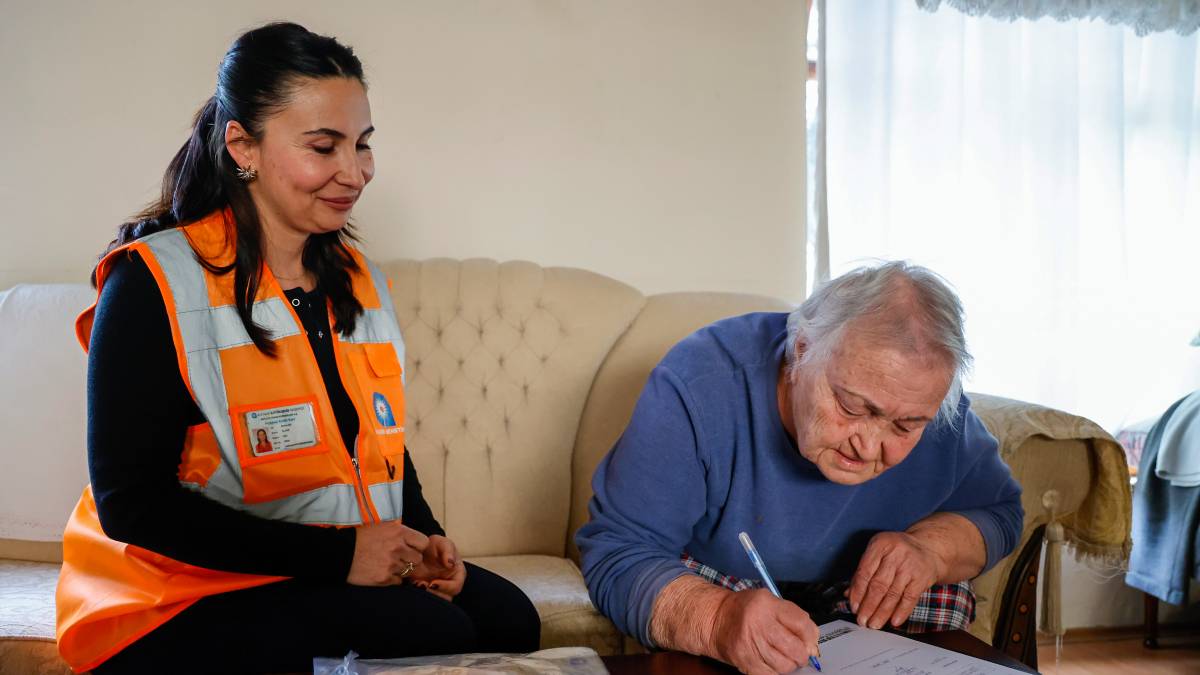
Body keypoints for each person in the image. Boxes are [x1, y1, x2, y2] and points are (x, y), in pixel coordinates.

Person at [55, 23, 539, 674]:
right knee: (427, 628)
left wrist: (422, 539)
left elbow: (379, 441)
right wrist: (341, 558)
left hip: (299, 569)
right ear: (242, 147)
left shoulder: (353, 277)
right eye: (324, 146)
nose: (355, 171)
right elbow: (131, 504)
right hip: (167, 594)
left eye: (362, 144)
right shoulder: (152, 282)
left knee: (510, 617)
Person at [576, 261, 1023, 675]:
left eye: (905, 426)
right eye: (851, 406)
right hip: (725, 581)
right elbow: (618, 551)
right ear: (802, 351)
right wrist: (716, 619)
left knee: (936, 584)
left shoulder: (935, 406)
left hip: (859, 586)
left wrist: (931, 550)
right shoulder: (699, 383)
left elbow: (1001, 511)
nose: (868, 446)